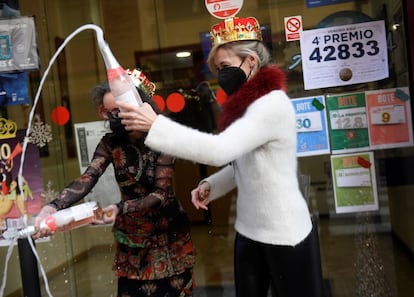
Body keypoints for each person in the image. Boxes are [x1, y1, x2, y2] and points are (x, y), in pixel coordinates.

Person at [116, 17, 321, 297]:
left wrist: (156, 125)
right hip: (250, 230)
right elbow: (245, 163)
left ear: (250, 62)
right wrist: (214, 185)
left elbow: (220, 149)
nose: (220, 76)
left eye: (224, 67)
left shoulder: (271, 105)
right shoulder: (247, 106)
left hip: (285, 233)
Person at [34, 78, 195, 297]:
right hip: (131, 237)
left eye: (121, 110)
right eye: (110, 113)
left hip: (167, 234)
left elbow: (160, 194)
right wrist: (53, 206)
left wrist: (119, 208)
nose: (116, 117)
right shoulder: (111, 143)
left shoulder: (163, 138)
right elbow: (88, 178)